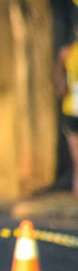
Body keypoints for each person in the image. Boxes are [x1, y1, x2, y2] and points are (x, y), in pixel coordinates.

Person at [53, 24, 78, 207]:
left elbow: (60, 90)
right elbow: (60, 89)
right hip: (72, 113)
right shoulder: (67, 53)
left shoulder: (67, 53)